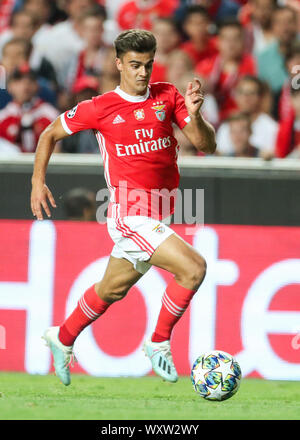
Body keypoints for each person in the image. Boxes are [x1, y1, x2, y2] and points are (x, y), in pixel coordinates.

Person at [31, 29, 216, 386]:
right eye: (134, 65)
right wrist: (38, 182)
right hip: (130, 213)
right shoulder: (99, 108)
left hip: (160, 211)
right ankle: (158, 341)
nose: (143, 73)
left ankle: (63, 337)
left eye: (148, 65)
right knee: (194, 268)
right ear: (119, 64)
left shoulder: (168, 96)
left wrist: (196, 116)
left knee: (111, 289)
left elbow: (204, 144)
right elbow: (49, 133)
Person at [195, 19, 256, 121]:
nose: (231, 44)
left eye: (236, 39)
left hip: (241, 121)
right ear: (218, 41)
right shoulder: (205, 67)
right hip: (209, 121)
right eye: (226, 39)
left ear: (243, 42)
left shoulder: (252, 65)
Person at [0, 64, 58, 153]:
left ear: (37, 85)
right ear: (10, 86)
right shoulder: (3, 117)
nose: (25, 84)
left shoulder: (50, 114)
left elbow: (57, 152)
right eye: (18, 79)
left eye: (31, 79)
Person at [216, 75, 278, 157]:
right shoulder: (225, 126)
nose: (246, 98)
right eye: (242, 93)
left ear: (260, 97)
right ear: (236, 96)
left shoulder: (271, 127)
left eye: (251, 93)